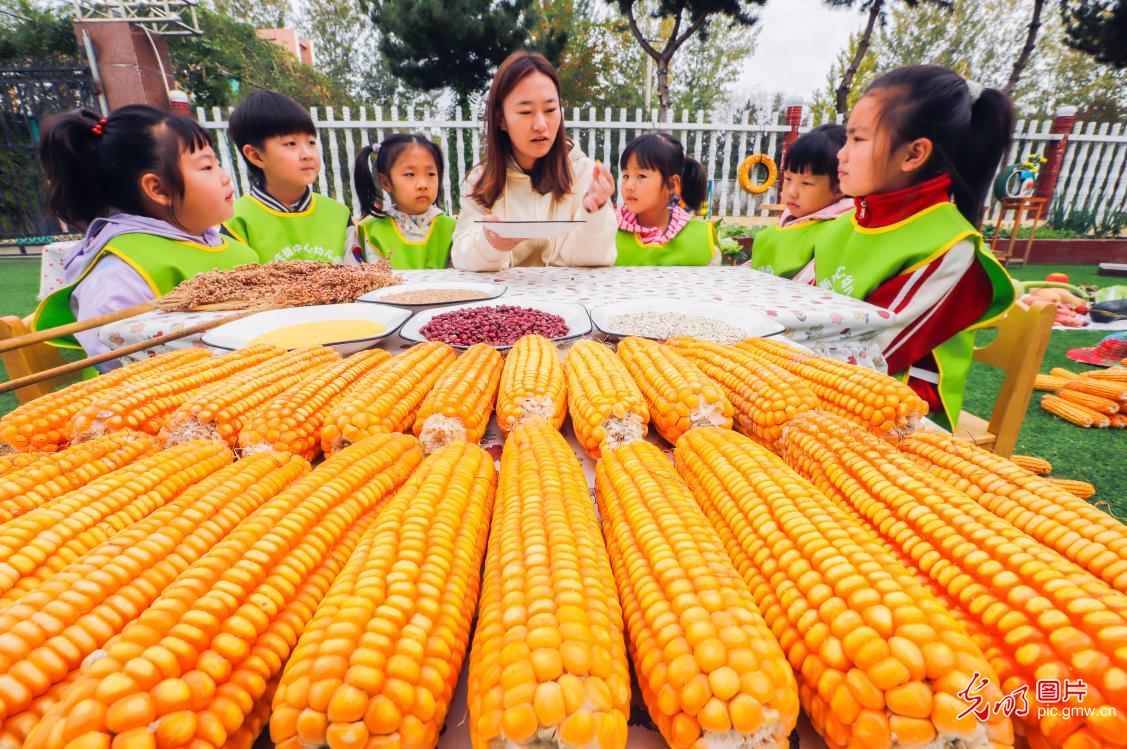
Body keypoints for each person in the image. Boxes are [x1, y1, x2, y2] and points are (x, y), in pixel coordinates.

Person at [797, 65, 1017, 429]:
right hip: (818, 385)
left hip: (900, 416)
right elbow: (789, 309)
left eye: (858, 139)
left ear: (913, 155)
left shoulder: (949, 249)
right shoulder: (843, 225)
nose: (841, 155)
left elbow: (873, 355)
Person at [33, 105, 258, 362]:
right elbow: (115, 359)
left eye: (217, 163)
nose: (225, 177)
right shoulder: (121, 273)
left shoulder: (232, 248)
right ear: (159, 189)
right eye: (207, 167)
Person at [451, 51, 617, 270]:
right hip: (505, 302)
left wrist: (594, 211)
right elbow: (462, 256)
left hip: (570, 300)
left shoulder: (582, 172)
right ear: (501, 119)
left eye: (550, 109)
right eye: (526, 111)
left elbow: (594, 261)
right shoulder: (481, 180)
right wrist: (489, 244)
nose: (540, 124)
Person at [223, 90, 352, 263]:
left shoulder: (339, 215)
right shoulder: (237, 222)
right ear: (256, 156)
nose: (307, 154)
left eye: (311, 142)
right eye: (291, 143)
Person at [749, 124, 852, 278]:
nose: (791, 192)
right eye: (788, 178)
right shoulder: (791, 220)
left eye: (806, 183)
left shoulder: (836, 232)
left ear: (839, 188)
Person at [614, 133, 720, 266]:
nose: (629, 186)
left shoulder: (702, 238)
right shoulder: (608, 230)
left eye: (641, 176)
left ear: (671, 184)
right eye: (625, 176)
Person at [350, 134, 454, 269]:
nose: (423, 184)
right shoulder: (371, 231)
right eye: (410, 174)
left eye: (431, 174)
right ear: (385, 182)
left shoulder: (451, 228)